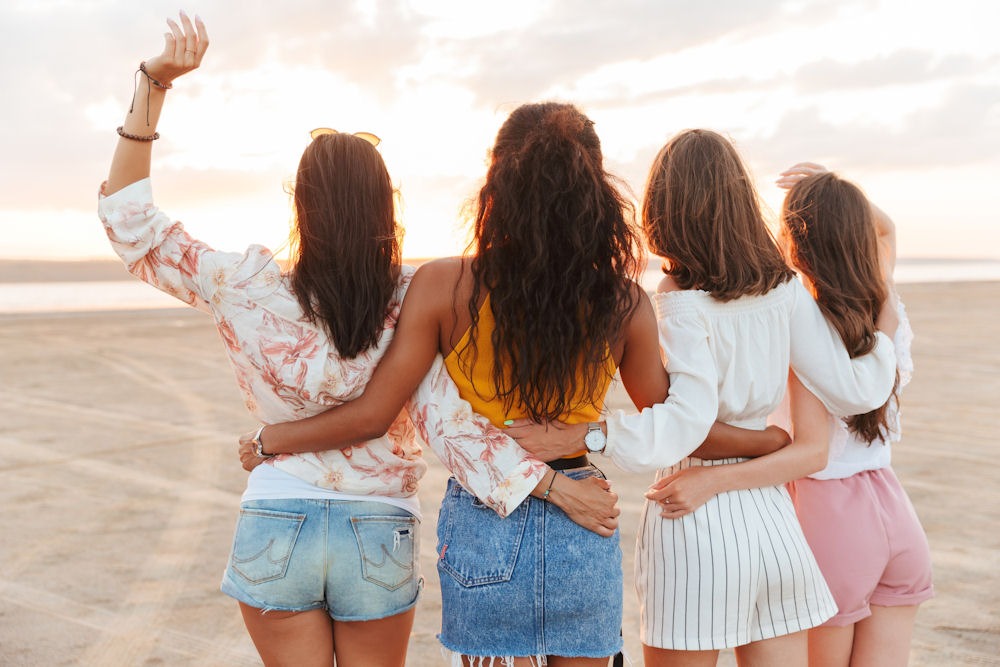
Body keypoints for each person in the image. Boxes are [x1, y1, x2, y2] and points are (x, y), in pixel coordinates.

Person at [98, 14, 617, 667]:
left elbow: (130, 225)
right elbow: (449, 425)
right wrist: (556, 484)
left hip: (276, 513)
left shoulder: (242, 283)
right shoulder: (410, 296)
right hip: (376, 523)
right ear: (387, 206)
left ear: (299, 203)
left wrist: (153, 85)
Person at [238, 101, 673, 666]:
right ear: (596, 191)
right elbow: (671, 425)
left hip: (485, 517)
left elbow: (376, 408)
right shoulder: (625, 302)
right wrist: (590, 435)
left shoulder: (447, 285)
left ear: (497, 179)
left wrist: (268, 439)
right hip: (582, 513)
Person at [508, 129, 900, 667]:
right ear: (738, 199)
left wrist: (596, 433)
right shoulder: (784, 287)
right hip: (774, 520)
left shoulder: (679, 301)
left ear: (664, 209)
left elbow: (688, 420)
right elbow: (857, 389)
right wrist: (884, 329)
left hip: (693, 512)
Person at [776, 164, 934, 666]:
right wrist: (838, 189)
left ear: (796, 246)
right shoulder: (885, 303)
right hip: (894, 508)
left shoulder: (801, 324)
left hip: (829, 516)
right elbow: (886, 229)